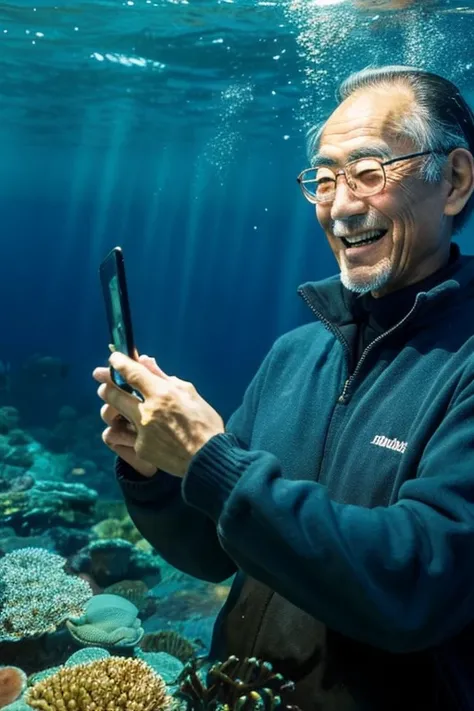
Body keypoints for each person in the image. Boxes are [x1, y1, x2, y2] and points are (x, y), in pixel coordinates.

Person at [92, 65, 474, 711]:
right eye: (323, 178)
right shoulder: (296, 352)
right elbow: (215, 552)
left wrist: (211, 461)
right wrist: (158, 472)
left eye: (369, 171)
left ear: (456, 180)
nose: (342, 205)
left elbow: (417, 586)